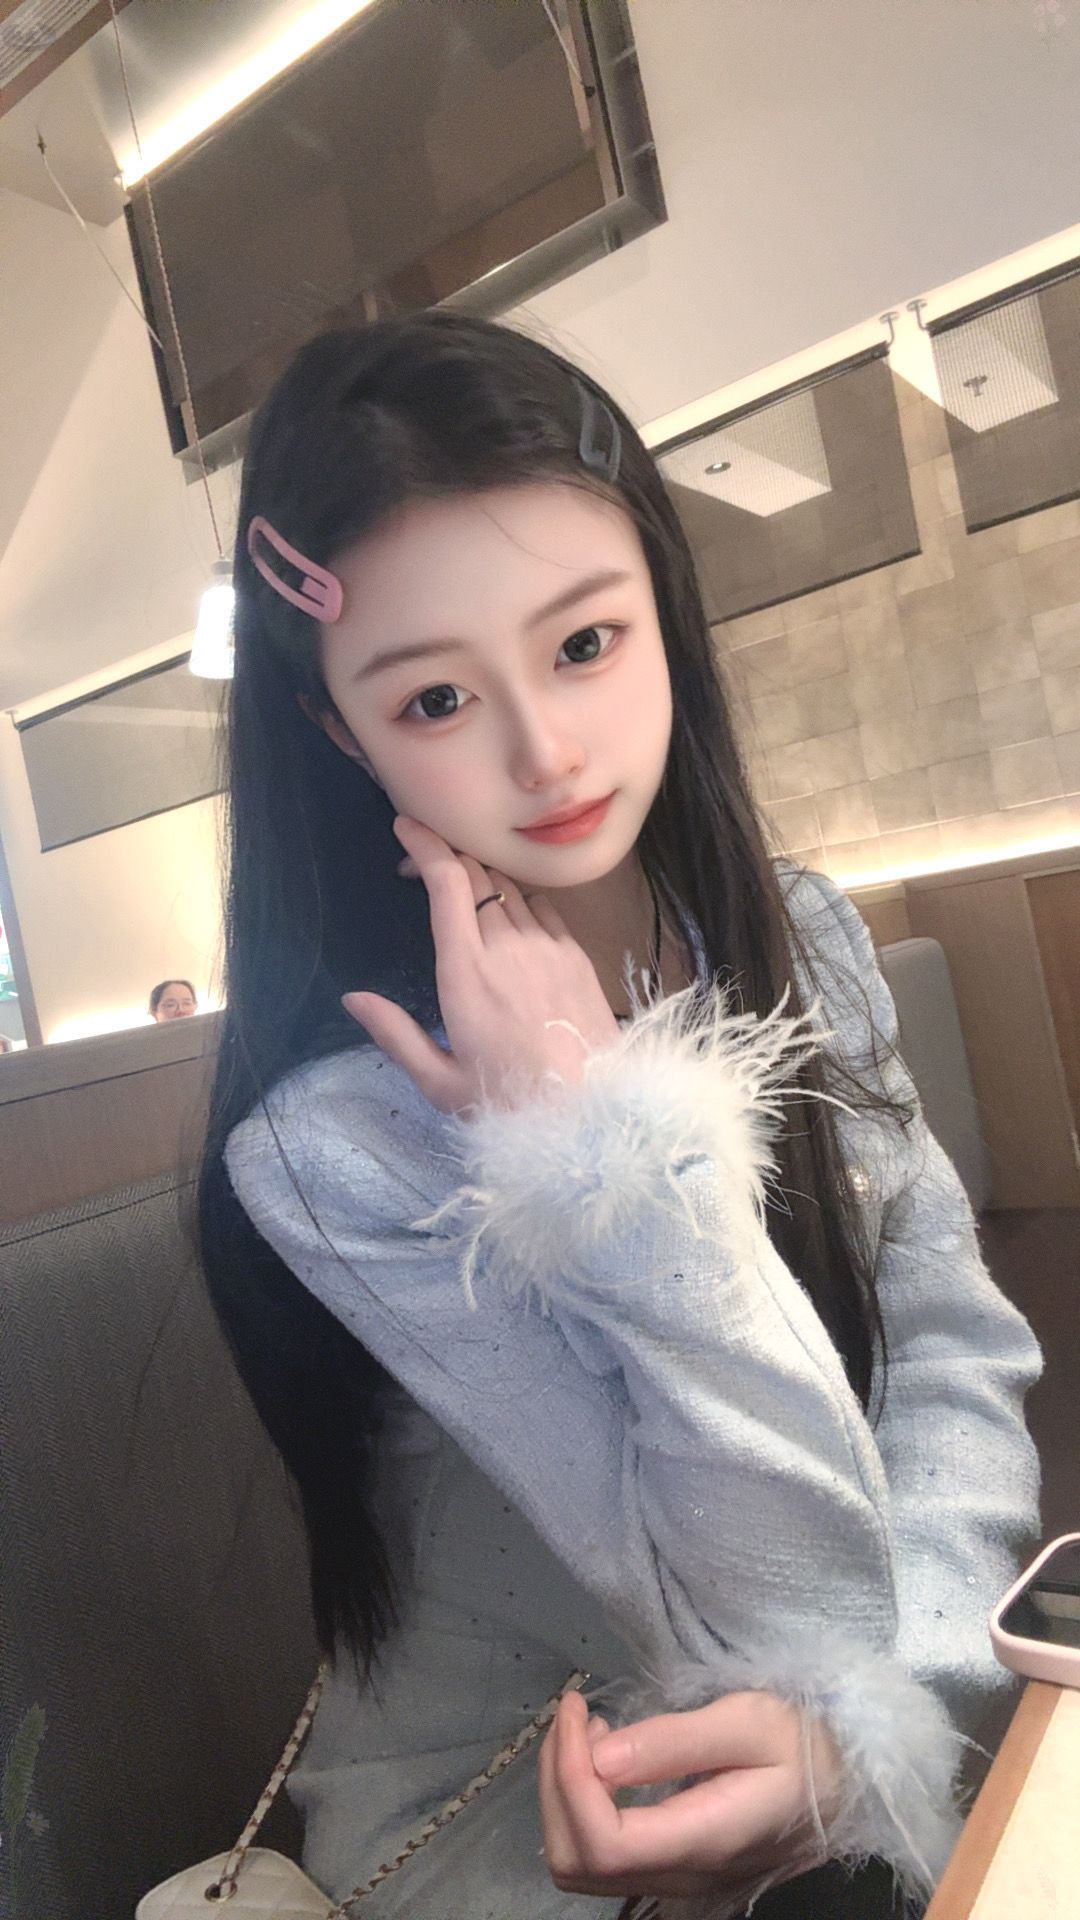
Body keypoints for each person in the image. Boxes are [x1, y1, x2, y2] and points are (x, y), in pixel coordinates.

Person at [201, 313, 1041, 1920]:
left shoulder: (801, 941)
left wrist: (896, 1707)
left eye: (584, 642)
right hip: (526, 1817)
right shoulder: (335, 1142)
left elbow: (950, 1352)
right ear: (339, 732)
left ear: (663, 603)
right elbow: (749, 1605)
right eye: (434, 700)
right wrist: (603, 1144)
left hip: (852, 1740)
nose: (547, 752)